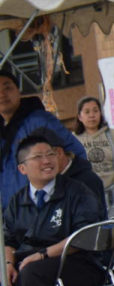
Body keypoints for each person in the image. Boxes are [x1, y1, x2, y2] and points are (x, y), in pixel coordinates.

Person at [3, 135, 103, 286]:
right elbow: (8, 239)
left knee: (31, 273)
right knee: (8, 276)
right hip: (30, 262)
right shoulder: (18, 200)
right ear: (22, 168)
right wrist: (7, 263)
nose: (47, 161)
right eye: (38, 157)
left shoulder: (77, 191)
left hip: (76, 262)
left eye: (50, 154)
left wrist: (43, 254)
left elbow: (85, 235)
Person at [0, 69, 90, 208]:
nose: (2, 94)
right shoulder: (3, 131)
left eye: (7, 87)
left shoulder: (39, 121)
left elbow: (76, 156)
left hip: (47, 208)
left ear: (18, 90)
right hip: (15, 213)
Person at [73, 95, 114, 212]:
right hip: (88, 192)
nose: (92, 115)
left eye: (95, 111)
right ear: (80, 117)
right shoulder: (74, 140)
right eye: (87, 112)